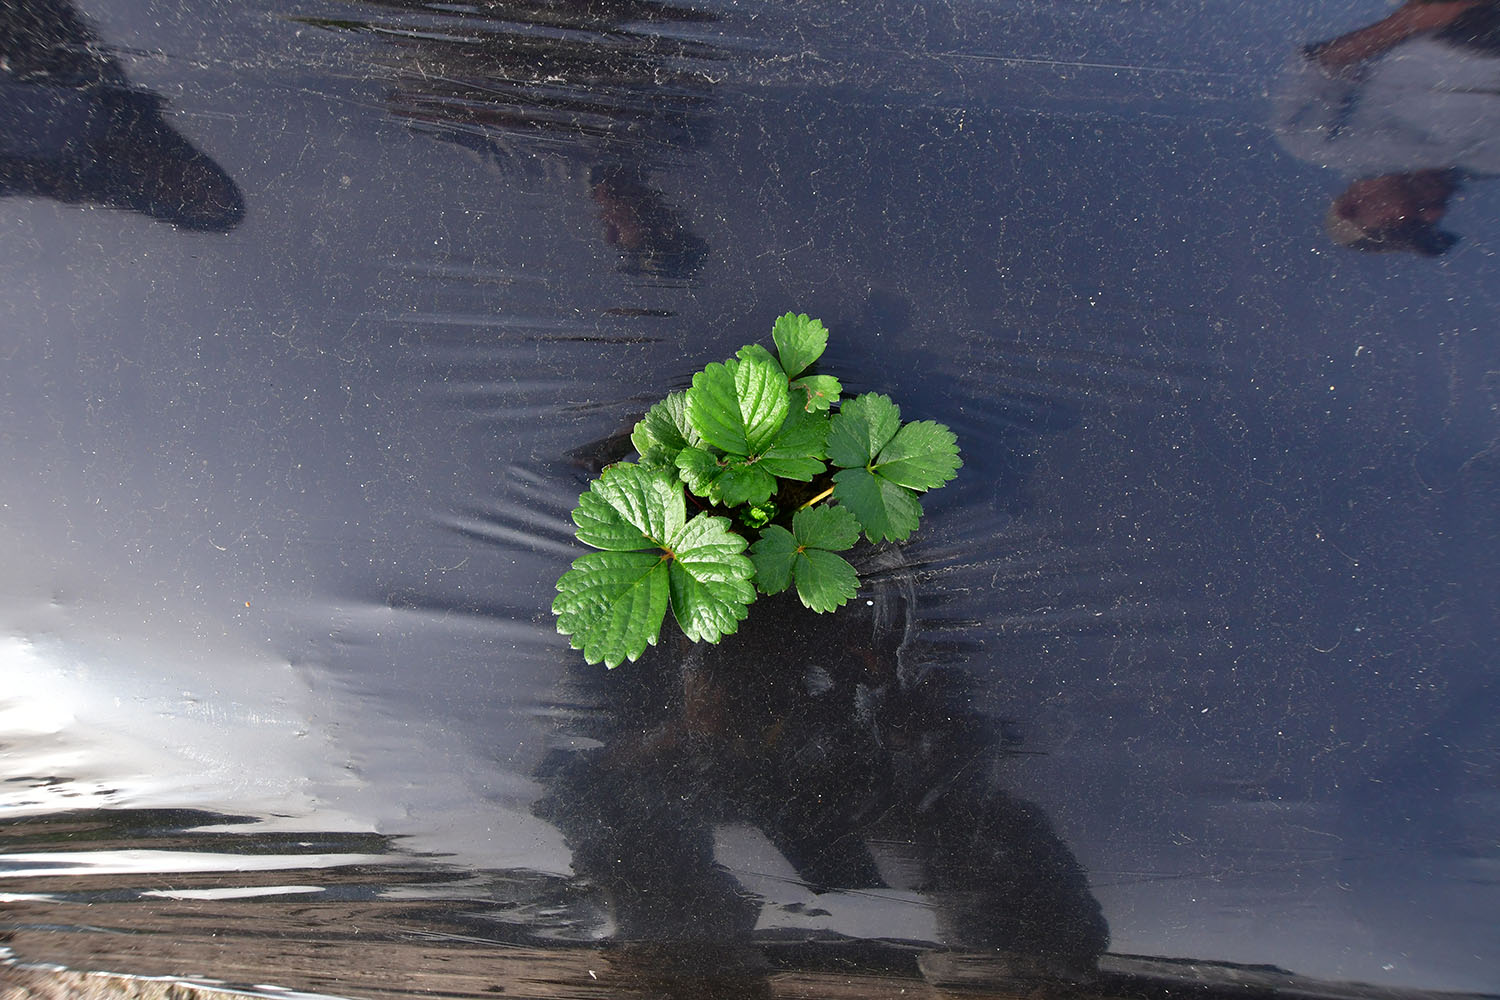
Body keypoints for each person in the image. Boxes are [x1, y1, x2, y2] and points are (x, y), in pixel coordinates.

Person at [1273, 1, 1500, 255]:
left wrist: (1408, 22)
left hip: (1463, 25)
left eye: (1401, 224)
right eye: (1431, 223)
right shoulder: (1489, 164)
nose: (1434, 213)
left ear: (1349, 207)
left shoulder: (1321, 143)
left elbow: (1322, 65)